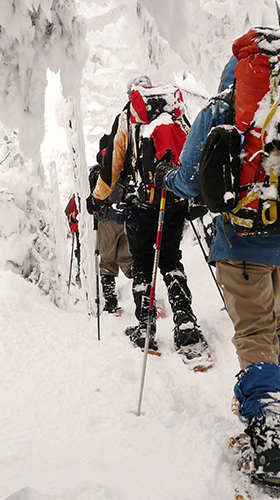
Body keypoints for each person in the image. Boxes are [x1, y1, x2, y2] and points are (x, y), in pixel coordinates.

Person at [157, 56, 280, 486]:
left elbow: (189, 178)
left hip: (244, 243)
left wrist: (167, 178)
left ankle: (270, 431)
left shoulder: (221, 110)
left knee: (255, 332)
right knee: (272, 325)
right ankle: (277, 400)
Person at [89, 75, 211, 369]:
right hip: (175, 199)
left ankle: (145, 329)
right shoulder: (174, 111)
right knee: (171, 260)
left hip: (143, 204)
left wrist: (97, 199)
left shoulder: (128, 118)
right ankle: (185, 325)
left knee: (143, 263)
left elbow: (112, 166)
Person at [87, 164, 133, 316]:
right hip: (125, 217)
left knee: (107, 262)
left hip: (106, 221)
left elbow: (91, 202)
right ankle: (145, 297)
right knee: (128, 257)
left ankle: (111, 303)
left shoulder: (97, 173)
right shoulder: (122, 168)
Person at [65, 195, 81, 288]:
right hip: (79, 228)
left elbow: (68, 213)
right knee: (80, 248)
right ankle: (81, 269)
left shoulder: (74, 197)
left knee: (80, 249)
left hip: (78, 228)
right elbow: (69, 214)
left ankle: (80, 269)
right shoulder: (75, 197)